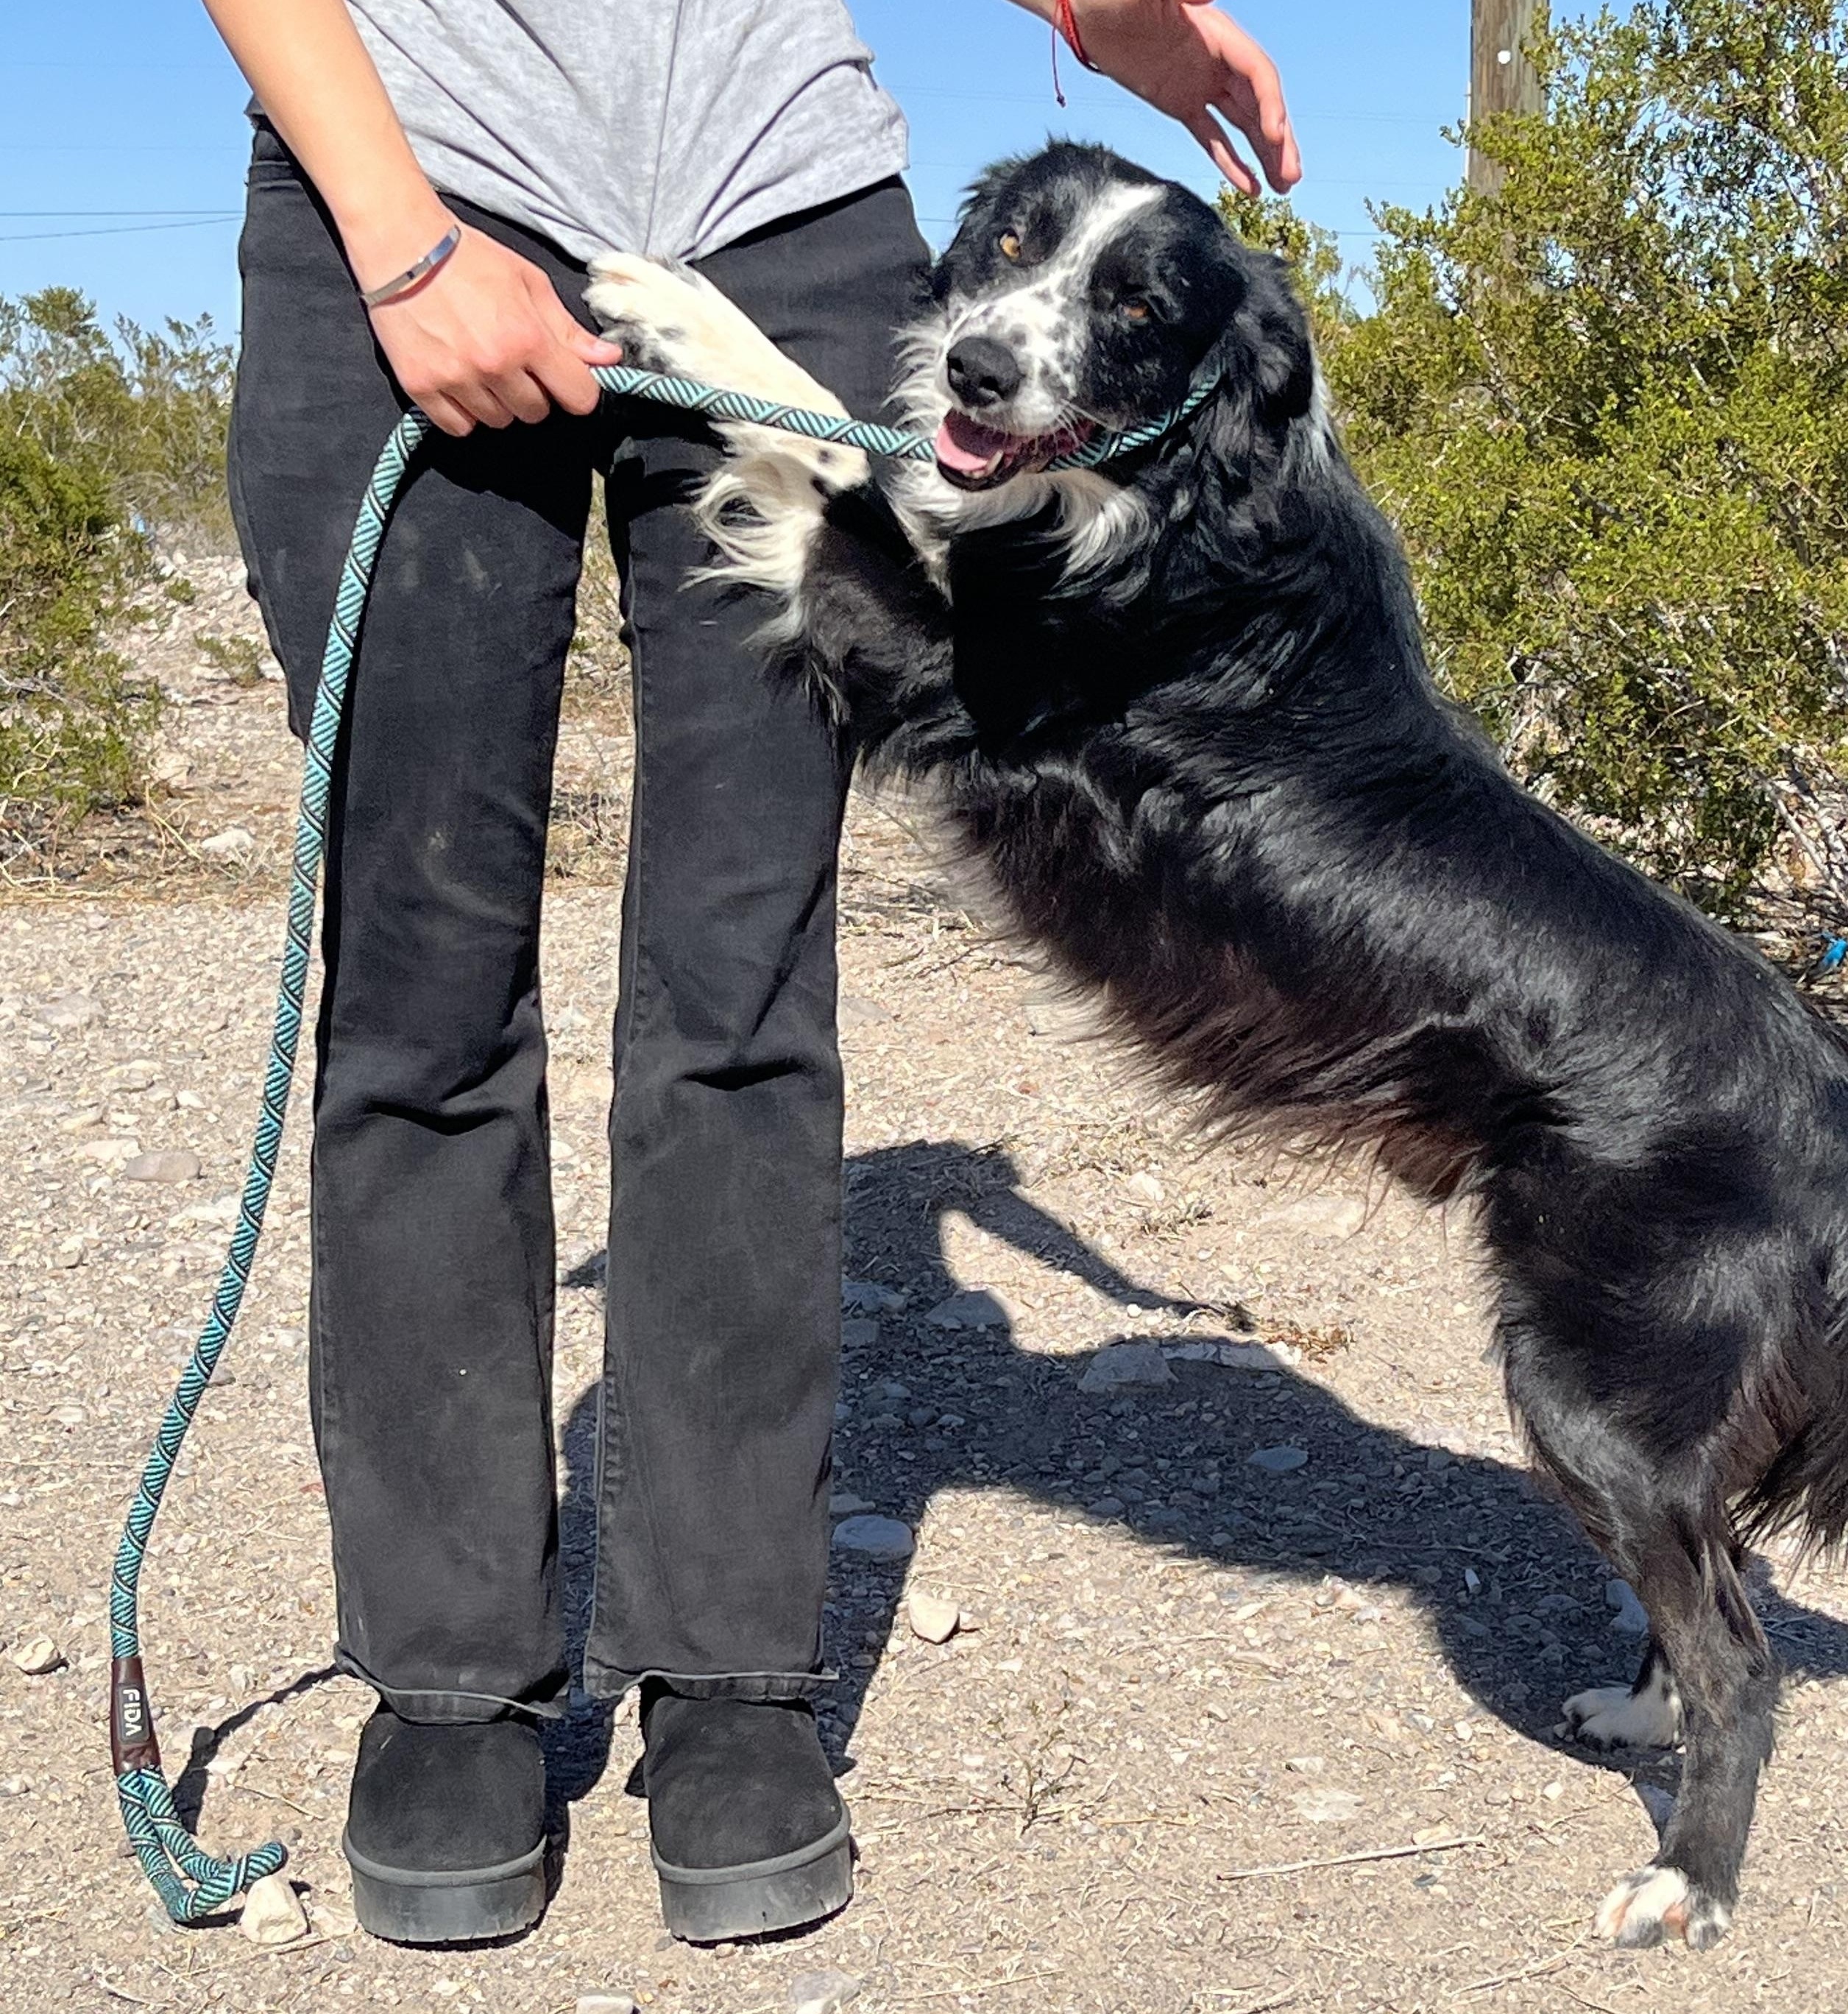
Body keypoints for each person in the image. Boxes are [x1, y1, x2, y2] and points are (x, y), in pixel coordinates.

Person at [199, 0, 1300, 1948]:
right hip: (411, 197)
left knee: (746, 998)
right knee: (420, 1003)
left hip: (785, 216)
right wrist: (402, 240)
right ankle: (452, 1685)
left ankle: (730, 1680)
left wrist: (1126, 20)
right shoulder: (403, 223)